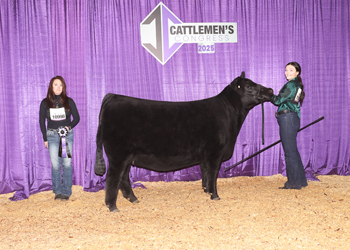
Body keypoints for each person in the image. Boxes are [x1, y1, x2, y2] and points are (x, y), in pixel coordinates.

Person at [39, 76, 80, 200]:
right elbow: (41, 121)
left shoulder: (69, 101)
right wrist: (45, 138)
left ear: (64, 87)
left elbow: (77, 118)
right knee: (55, 165)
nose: (58, 87)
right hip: (51, 136)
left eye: (60, 85)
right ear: (51, 87)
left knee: (67, 164)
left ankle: (66, 191)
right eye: (55, 85)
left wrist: (68, 127)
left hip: (67, 136)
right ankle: (57, 191)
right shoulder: (45, 102)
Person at [270, 62, 308, 190]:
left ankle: (293, 183)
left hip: (287, 118)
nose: (287, 73)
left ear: (297, 72)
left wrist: (268, 94)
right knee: (293, 151)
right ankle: (301, 180)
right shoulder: (297, 84)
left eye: (291, 70)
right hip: (292, 118)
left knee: (289, 152)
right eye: (286, 70)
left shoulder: (291, 84)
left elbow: (277, 101)